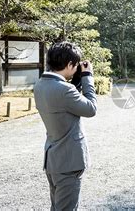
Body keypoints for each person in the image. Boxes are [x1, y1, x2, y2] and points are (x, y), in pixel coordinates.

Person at [34, 41, 97, 210]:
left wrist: (75, 81)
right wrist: (87, 77)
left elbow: (65, 105)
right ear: (69, 64)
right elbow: (91, 109)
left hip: (53, 159)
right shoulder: (65, 90)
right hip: (69, 161)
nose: (77, 68)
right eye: (75, 65)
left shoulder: (40, 85)